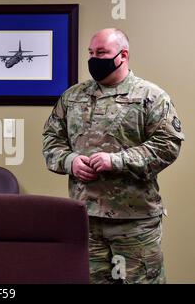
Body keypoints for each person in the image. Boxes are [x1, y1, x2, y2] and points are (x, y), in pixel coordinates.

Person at [42, 28, 184, 284]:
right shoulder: (73, 97)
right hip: (85, 219)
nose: (95, 59)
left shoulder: (150, 97)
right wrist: (70, 161)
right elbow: (51, 141)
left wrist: (117, 160)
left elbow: (168, 145)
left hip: (135, 222)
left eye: (102, 53)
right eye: (91, 53)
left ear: (123, 55)